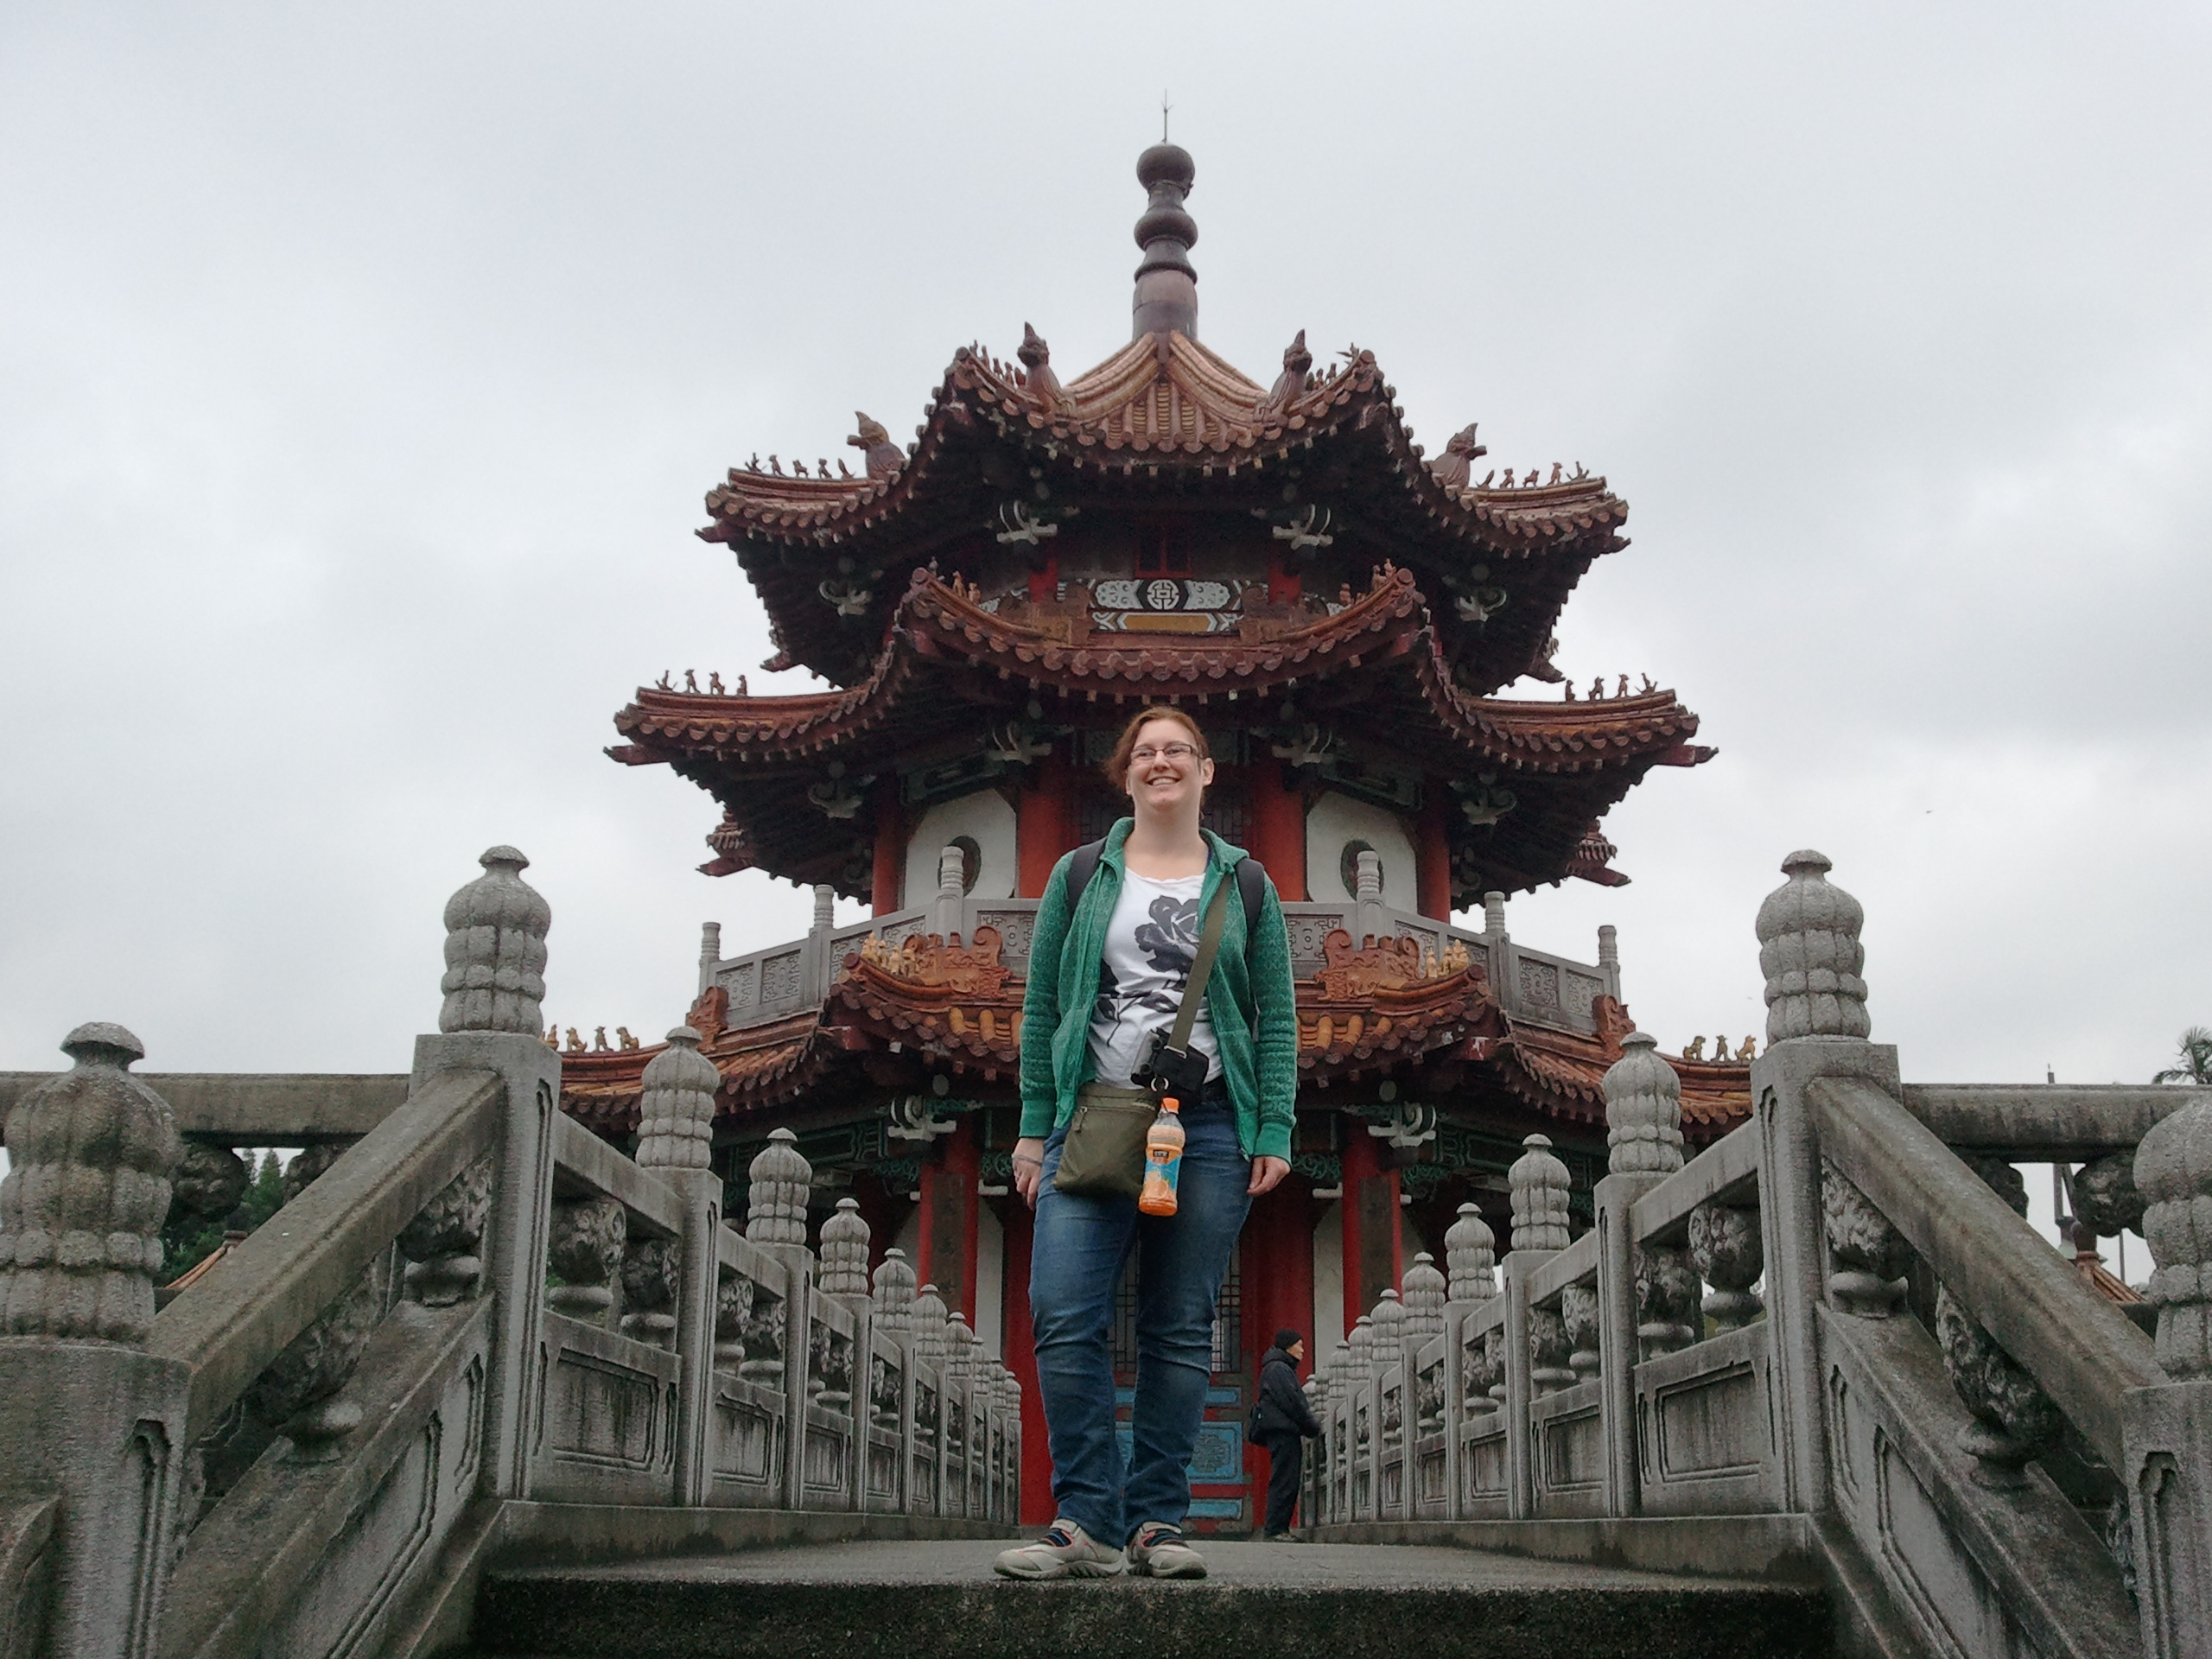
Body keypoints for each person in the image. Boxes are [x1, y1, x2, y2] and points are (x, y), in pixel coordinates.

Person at [995, 707, 1297, 1582]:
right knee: (1062, 1310)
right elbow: (1043, 1008)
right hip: (1094, 1116)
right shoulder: (1080, 874)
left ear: (1206, 770)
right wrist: (1032, 1131)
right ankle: (1085, 1519)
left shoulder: (1247, 884)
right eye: (1145, 752)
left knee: (1180, 1326)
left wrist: (1273, 1125)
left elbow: (1276, 1016)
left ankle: (1157, 1521)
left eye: (1178, 751)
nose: (1161, 762)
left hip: (1209, 1126)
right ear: (1126, 774)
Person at [1252, 1328, 1324, 1540]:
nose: (1302, 1350)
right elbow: (1292, 1401)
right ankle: (1276, 1529)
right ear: (1288, 1346)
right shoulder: (1278, 1369)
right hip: (1283, 1431)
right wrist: (1311, 1426)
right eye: (1299, 1345)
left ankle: (1278, 1528)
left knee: (1286, 1479)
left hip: (1282, 1430)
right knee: (1284, 1481)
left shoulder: (1278, 1368)